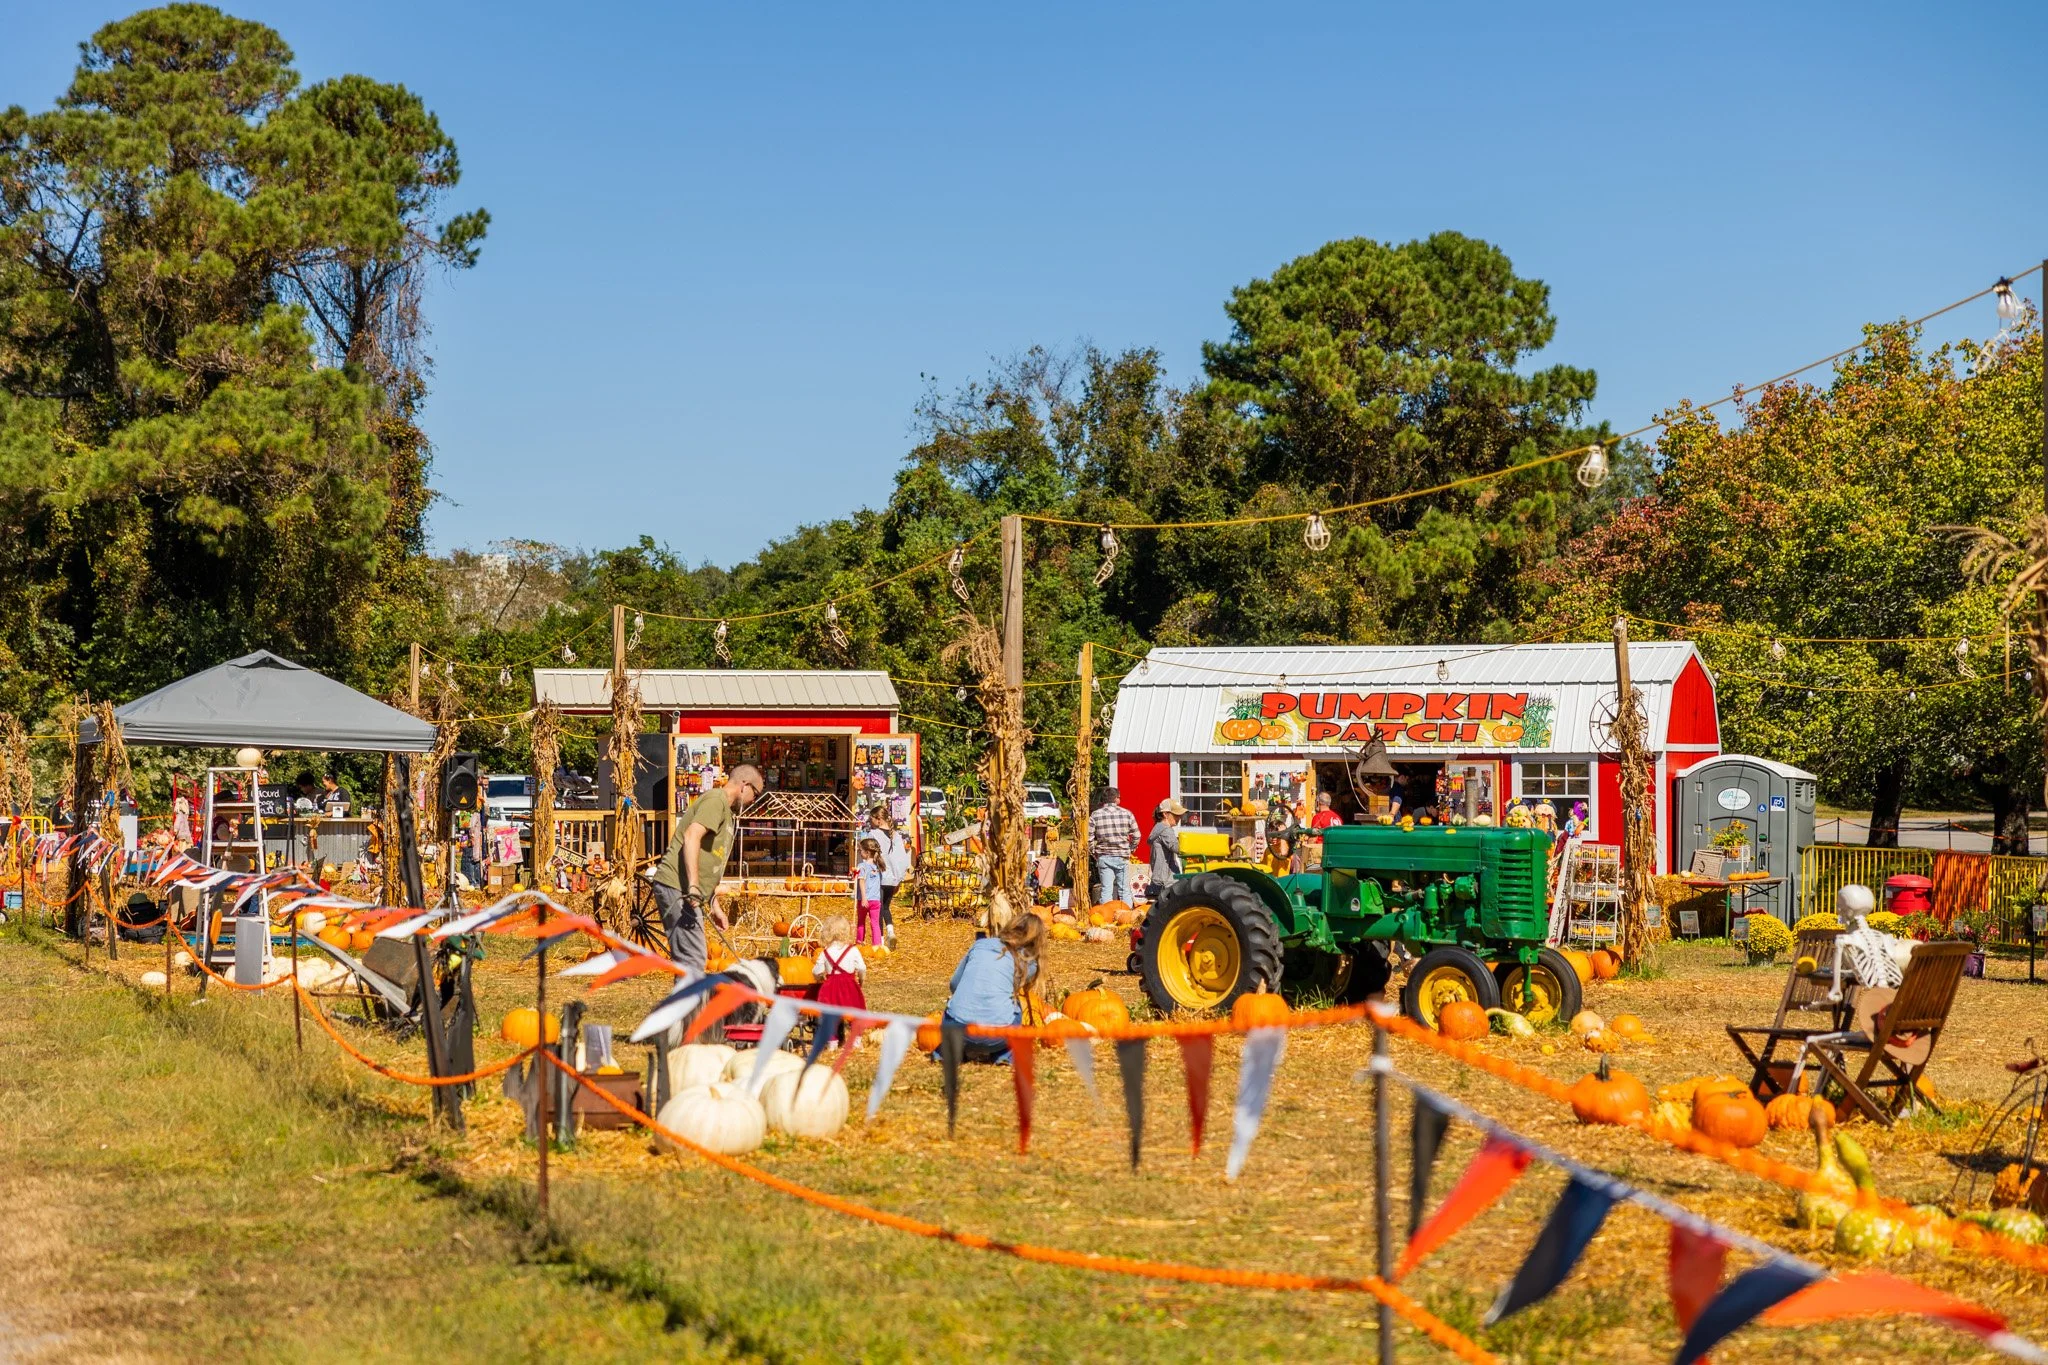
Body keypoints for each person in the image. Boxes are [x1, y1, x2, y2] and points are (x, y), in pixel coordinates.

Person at [650, 763, 763, 971]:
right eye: (755, 794)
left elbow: (707, 863)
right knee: (692, 959)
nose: (753, 801)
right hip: (677, 886)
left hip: (687, 890)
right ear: (744, 785)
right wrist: (693, 885)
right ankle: (690, 993)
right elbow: (692, 836)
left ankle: (689, 993)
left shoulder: (727, 812)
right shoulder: (716, 800)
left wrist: (713, 904)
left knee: (692, 959)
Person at [941, 913, 1046, 1063]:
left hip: (956, 1029)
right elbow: (1016, 987)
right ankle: (1004, 1056)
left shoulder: (980, 945)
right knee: (1015, 1004)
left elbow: (954, 984)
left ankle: (947, 1052)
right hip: (997, 1035)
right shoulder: (1028, 961)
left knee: (953, 1010)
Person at [1088, 787, 1139, 905]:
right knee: (1124, 890)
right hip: (1122, 856)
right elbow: (1137, 835)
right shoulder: (1127, 814)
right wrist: (1130, 849)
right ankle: (1127, 913)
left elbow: (1089, 838)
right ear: (1116, 799)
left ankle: (1106, 914)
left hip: (1104, 856)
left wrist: (1094, 852)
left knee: (1106, 891)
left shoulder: (1095, 815)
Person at [868, 805, 910, 950]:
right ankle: (891, 932)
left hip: (879, 877)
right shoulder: (897, 836)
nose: (871, 822)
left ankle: (879, 941)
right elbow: (903, 859)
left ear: (878, 819)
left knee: (877, 910)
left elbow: (870, 856)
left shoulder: (873, 834)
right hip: (893, 879)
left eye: (872, 819)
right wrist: (899, 878)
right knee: (885, 907)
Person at [813, 915, 867, 1014]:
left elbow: (816, 971)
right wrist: (861, 979)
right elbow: (862, 968)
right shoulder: (853, 950)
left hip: (830, 989)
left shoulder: (825, 953)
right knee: (854, 1014)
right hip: (849, 987)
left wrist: (820, 979)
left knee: (830, 1015)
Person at [1147, 799, 1184, 899]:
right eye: (1176, 815)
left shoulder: (1157, 828)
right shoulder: (1166, 830)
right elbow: (1178, 848)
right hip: (1167, 880)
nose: (1179, 817)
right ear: (1165, 814)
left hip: (1159, 877)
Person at [856, 837, 885, 946]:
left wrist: (864, 898)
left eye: (861, 850)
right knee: (875, 924)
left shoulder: (862, 866)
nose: (859, 852)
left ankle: (859, 943)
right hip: (876, 900)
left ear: (867, 853)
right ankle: (877, 946)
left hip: (864, 899)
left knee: (861, 922)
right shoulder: (878, 867)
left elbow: (862, 882)